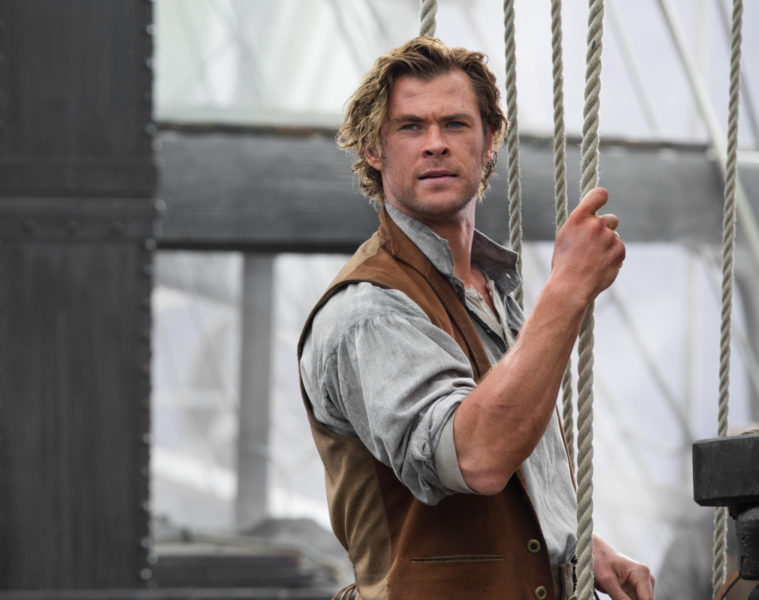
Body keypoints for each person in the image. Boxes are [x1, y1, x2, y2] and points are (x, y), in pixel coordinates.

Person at [298, 36, 654, 600]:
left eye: (456, 124)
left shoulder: (489, 288)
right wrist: (566, 291)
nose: (435, 144)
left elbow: (513, 461)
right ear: (373, 150)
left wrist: (573, 545)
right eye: (410, 127)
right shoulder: (370, 311)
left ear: (489, 144)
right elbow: (475, 457)